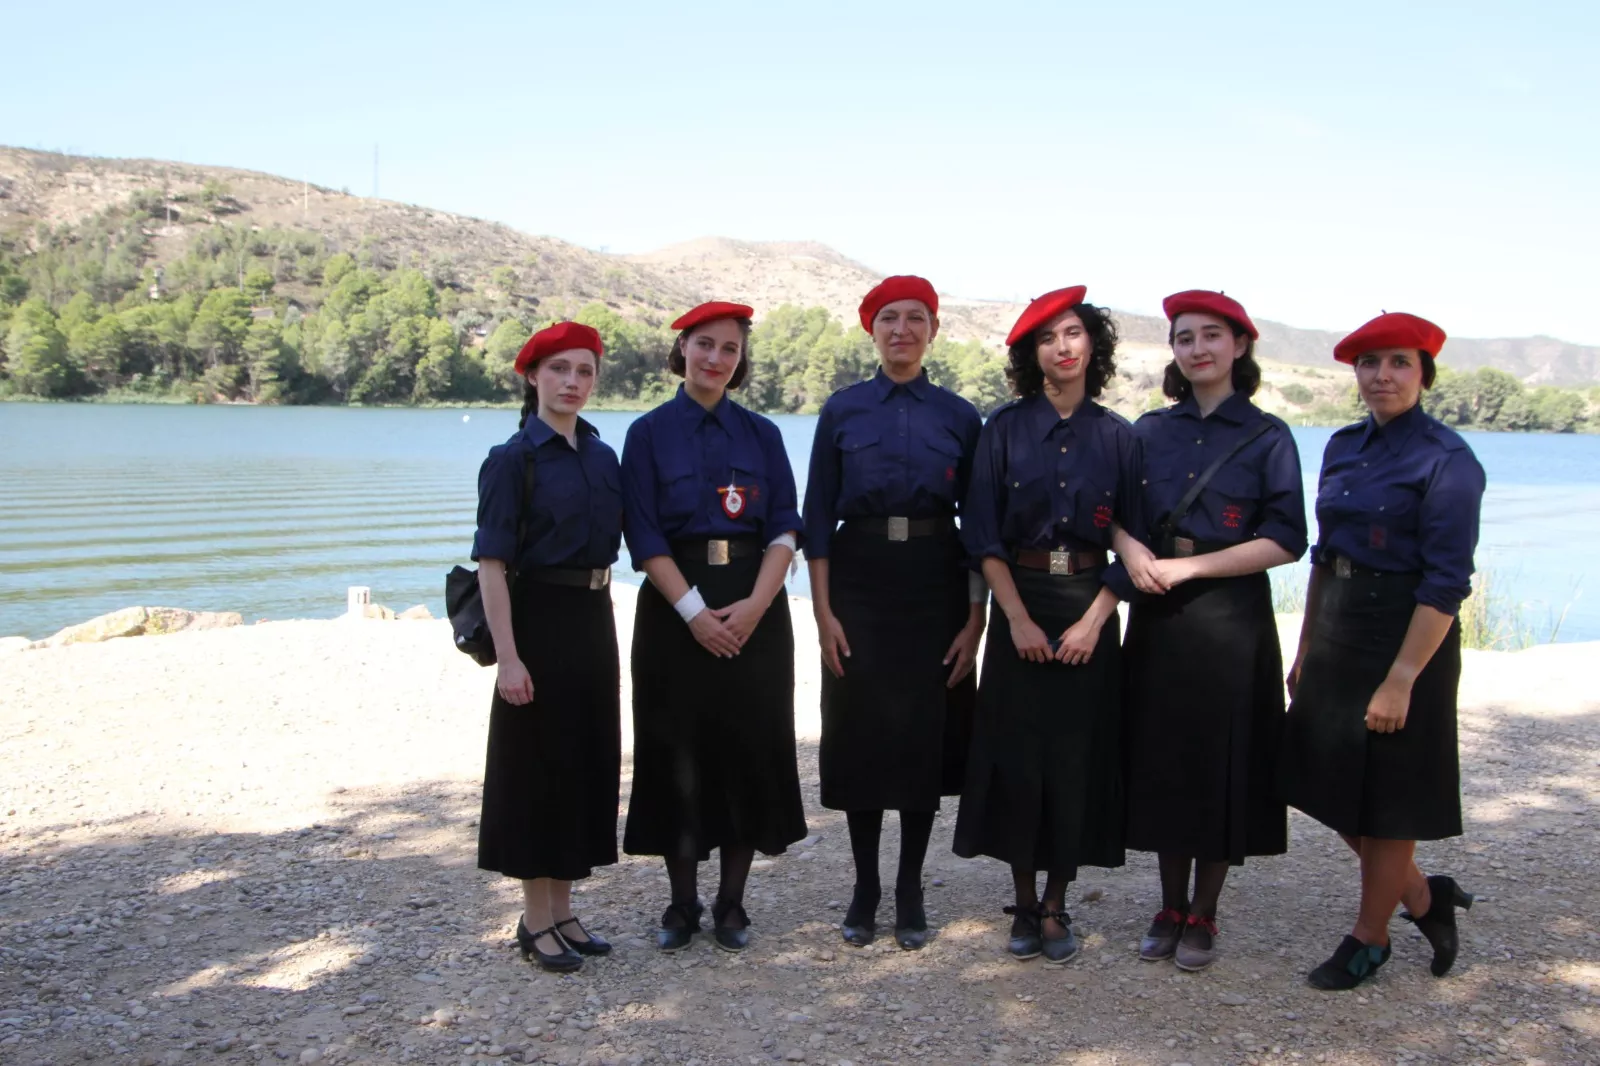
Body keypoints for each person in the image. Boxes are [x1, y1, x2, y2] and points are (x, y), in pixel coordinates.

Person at [1282, 311, 1485, 990]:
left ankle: (1370, 939)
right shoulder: (1343, 446)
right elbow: (1323, 555)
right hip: (1339, 627)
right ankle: (1423, 895)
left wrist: (1401, 678)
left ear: (1424, 373)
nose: (1382, 375)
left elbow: (1446, 583)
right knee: (1325, 782)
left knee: (1391, 795)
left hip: (1408, 635)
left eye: (1399, 362)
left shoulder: (1448, 461)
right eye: (1370, 363)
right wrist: (1306, 646)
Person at [1107, 290, 1307, 971]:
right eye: (1185, 337)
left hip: (1230, 617)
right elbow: (1113, 511)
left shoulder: (1268, 436)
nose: (1198, 348)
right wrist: (1130, 550)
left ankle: (1205, 911)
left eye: (1212, 335)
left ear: (1239, 345)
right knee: (1165, 758)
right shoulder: (1147, 432)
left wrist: (1191, 569)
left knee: (1223, 761)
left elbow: (1287, 539)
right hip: (1158, 614)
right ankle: (1168, 905)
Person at [953, 286, 1137, 964]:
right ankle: (1024, 902)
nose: (1062, 347)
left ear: (1093, 345)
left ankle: (1058, 902)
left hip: (1090, 601)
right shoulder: (1002, 429)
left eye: (1073, 333)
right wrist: (1016, 620)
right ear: (1032, 354)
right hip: (1020, 600)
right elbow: (982, 534)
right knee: (1020, 755)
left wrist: (1093, 622)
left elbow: (1134, 540)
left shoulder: (1118, 436)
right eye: (1047, 337)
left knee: (1075, 756)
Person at [619, 300, 808, 953]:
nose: (716, 358)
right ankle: (681, 902)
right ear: (683, 348)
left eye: (730, 348)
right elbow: (644, 535)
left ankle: (732, 902)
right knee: (678, 750)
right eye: (705, 344)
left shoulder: (763, 434)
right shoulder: (647, 433)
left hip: (755, 605)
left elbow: (785, 525)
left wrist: (756, 605)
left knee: (747, 746)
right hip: (675, 609)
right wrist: (694, 613)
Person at [804, 275, 985, 951]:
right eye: (888, 318)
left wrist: (976, 619)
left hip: (936, 581)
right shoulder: (843, 410)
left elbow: (980, 526)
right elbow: (817, 518)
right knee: (860, 732)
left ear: (933, 330)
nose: (901, 330)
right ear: (871, 330)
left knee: (920, 736)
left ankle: (910, 887)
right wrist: (822, 612)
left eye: (915, 318)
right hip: (859, 579)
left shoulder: (959, 416)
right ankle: (865, 887)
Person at [472, 321, 623, 974]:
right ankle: (534, 919)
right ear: (533, 376)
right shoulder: (513, 459)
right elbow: (491, 565)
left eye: (584, 371)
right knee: (538, 768)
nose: (572, 382)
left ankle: (563, 908)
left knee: (583, 761)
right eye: (559, 368)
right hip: (537, 619)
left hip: (594, 617)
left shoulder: (602, 456)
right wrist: (508, 658)